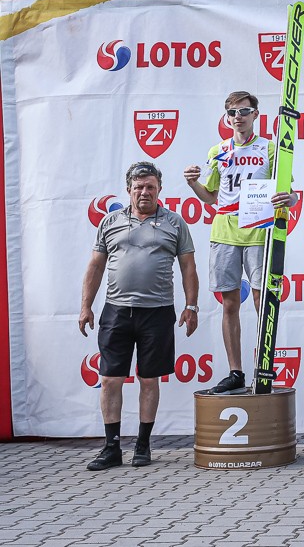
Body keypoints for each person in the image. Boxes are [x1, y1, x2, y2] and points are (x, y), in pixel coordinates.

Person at [79, 161, 199, 470]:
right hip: (116, 311)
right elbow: (95, 266)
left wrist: (191, 306)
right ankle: (111, 448)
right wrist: (85, 306)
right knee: (110, 380)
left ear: (160, 189)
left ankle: (143, 445)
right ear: (128, 189)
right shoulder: (110, 221)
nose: (144, 192)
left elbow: (188, 267)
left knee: (149, 379)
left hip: (157, 312)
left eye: (150, 187)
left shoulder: (175, 223)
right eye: (138, 187)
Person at [183, 91, 298, 395]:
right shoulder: (218, 151)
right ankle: (235, 371)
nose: (239, 117)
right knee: (230, 303)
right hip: (225, 230)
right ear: (227, 117)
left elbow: (290, 192)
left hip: (259, 228)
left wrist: (289, 199)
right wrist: (193, 183)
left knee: (262, 300)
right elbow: (211, 197)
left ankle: (264, 363)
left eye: (245, 111)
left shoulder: (270, 148)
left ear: (255, 114)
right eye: (233, 112)